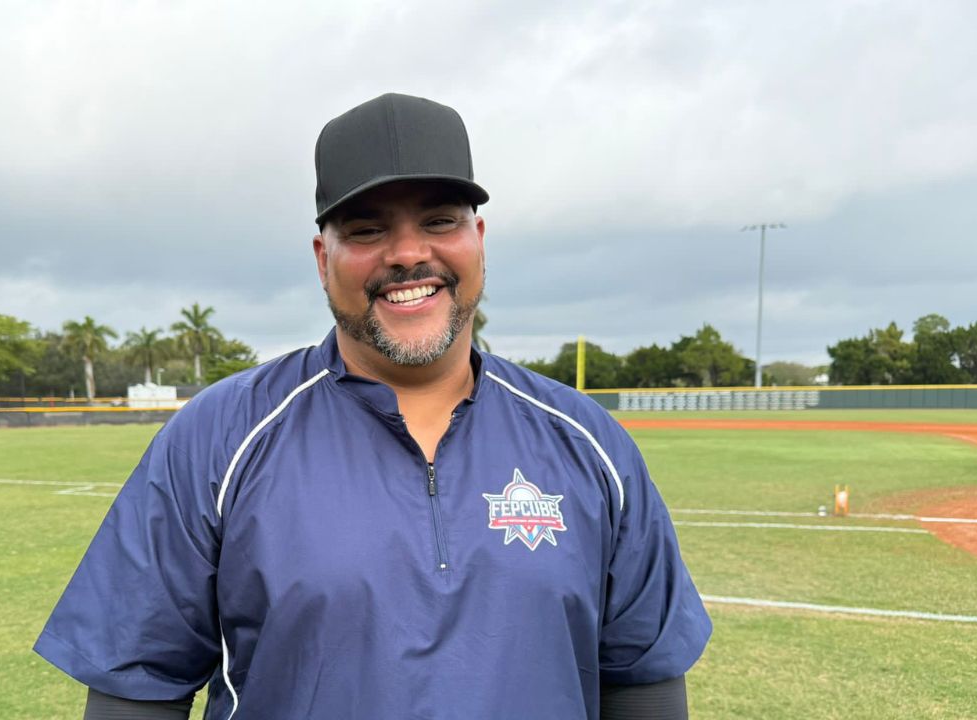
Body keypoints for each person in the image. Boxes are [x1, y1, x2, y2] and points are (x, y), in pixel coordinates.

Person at [36, 93, 711, 720]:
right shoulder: (217, 439)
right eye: (366, 229)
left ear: (479, 238)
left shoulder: (589, 443)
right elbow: (136, 690)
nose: (409, 254)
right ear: (321, 256)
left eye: (439, 221)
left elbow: (642, 680)